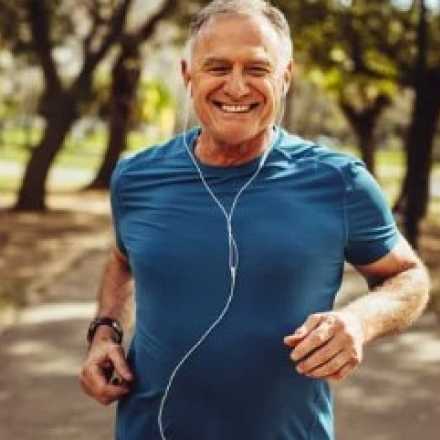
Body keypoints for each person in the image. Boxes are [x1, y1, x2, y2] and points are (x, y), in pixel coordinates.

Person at [79, 1, 430, 439]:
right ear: (189, 75)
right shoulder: (136, 177)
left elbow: (409, 277)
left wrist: (360, 322)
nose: (237, 87)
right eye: (218, 67)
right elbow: (124, 261)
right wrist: (105, 332)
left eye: (258, 69)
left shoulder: (339, 181)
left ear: (285, 77)